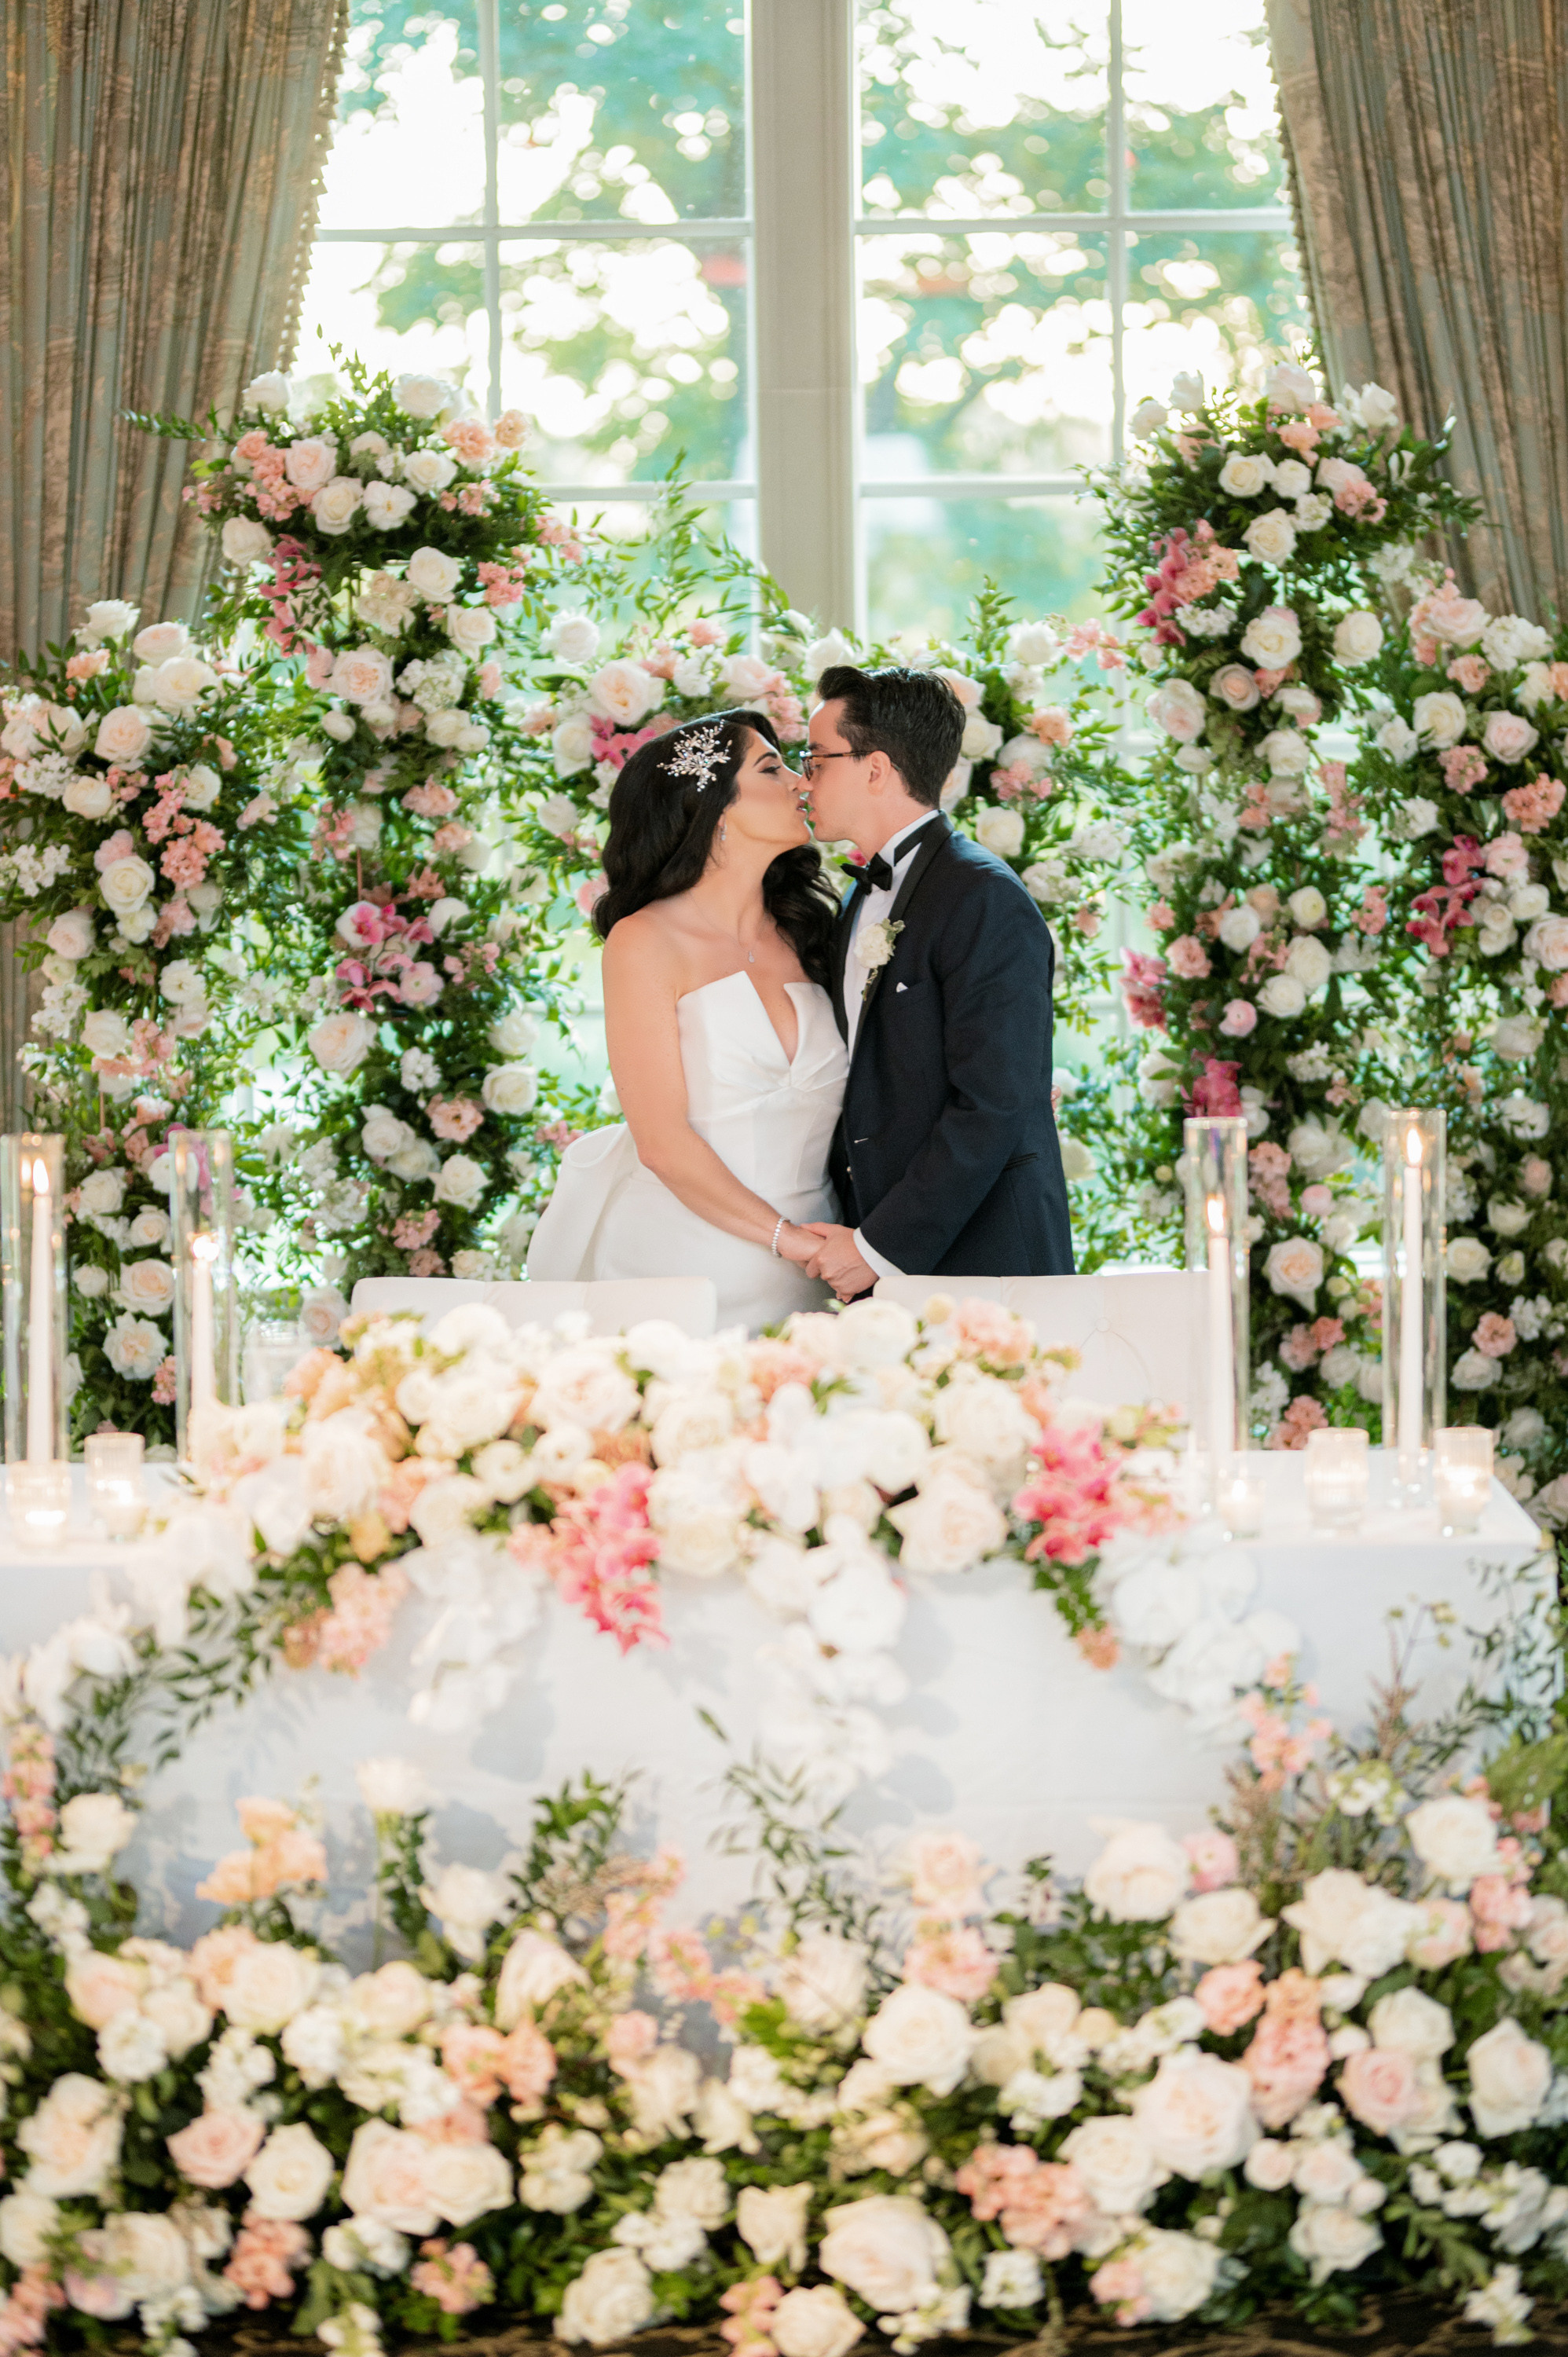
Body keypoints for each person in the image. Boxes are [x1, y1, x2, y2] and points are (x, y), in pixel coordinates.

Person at [526, 710, 848, 1330]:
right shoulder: (643, 941)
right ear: (716, 809)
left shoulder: (814, 934)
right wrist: (794, 1242)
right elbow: (663, 1144)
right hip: (682, 1274)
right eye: (772, 768)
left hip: (819, 1276)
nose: (801, 783)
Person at [800, 662, 1074, 1297]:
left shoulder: (984, 898)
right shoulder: (857, 894)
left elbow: (996, 1101)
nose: (804, 779)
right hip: (887, 1257)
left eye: (816, 759)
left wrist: (876, 1247)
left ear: (875, 768)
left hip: (985, 1258)